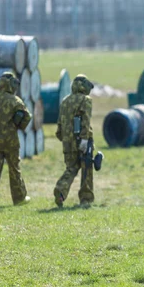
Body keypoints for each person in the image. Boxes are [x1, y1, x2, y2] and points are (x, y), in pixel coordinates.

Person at [0, 72, 32, 208]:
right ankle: (19, 198)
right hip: (11, 142)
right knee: (14, 169)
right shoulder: (15, 100)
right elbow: (27, 117)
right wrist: (18, 125)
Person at [53, 74, 95, 207]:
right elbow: (86, 121)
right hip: (83, 141)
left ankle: (60, 191)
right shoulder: (86, 100)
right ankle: (86, 199)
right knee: (86, 169)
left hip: (67, 142)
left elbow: (59, 125)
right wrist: (84, 140)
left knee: (71, 168)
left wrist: (66, 139)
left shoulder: (65, 100)